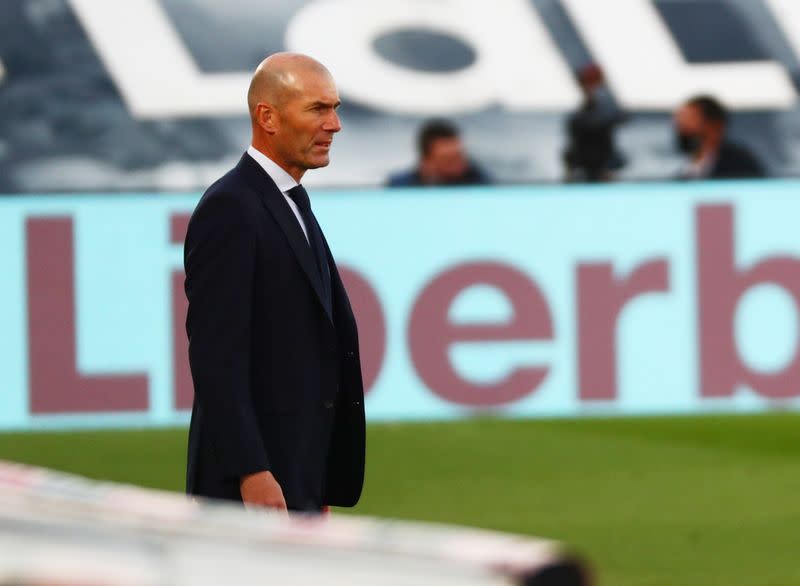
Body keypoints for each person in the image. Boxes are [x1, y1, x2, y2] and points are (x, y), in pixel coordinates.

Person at [183, 53, 365, 513]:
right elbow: (215, 358)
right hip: (254, 490)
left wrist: (317, 478)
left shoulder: (288, 201)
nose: (335, 124)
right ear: (268, 116)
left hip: (298, 476)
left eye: (335, 108)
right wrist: (253, 473)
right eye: (317, 109)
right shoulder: (232, 208)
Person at [673, 95, 766, 180]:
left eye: (688, 122)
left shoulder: (740, 164)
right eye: (680, 124)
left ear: (714, 126)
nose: (682, 130)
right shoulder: (681, 165)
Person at [563, 64, 628, 183]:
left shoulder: (606, 110)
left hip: (600, 166)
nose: (592, 88)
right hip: (585, 166)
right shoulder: (578, 115)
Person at [387, 119, 491, 186]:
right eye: (448, 160)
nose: (458, 164)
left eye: (459, 155)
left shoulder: (479, 183)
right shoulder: (399, 187)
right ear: (426, 161)